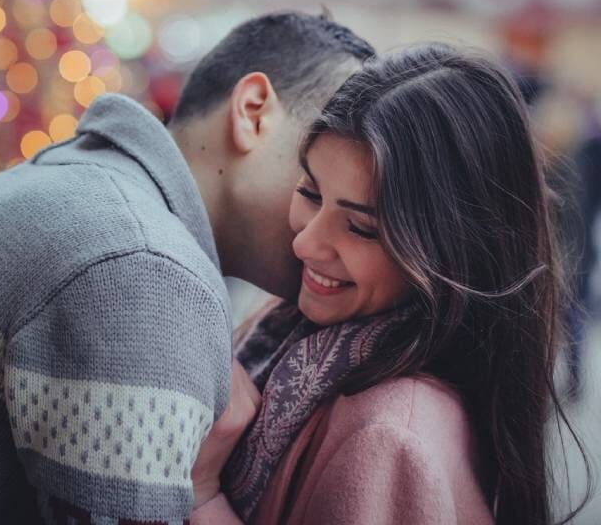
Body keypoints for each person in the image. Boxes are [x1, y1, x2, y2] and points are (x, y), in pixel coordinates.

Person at [0, 12, 374, 523]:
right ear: (253, 112)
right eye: (317, 168)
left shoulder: (72, 188)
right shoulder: (140, 266)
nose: (335, 215)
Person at [190, 43, 591, 525]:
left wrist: (202, 494)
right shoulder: (297, 334)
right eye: (311, 193)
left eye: (362, 228)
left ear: (453, 251)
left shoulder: (392, 435)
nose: (306, 245)